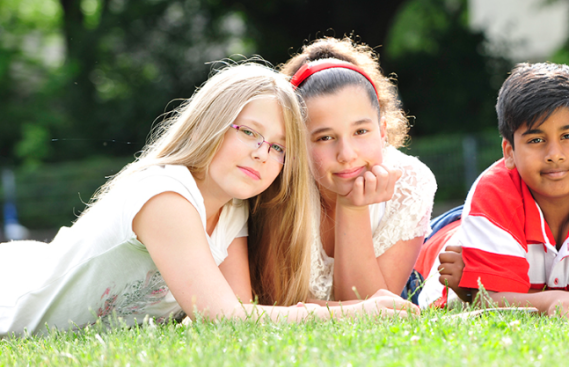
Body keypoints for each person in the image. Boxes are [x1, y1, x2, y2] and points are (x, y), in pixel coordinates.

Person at [0, 62, 416, 337]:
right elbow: (221, 316)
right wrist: (356, 312)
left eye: (278, 147)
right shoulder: (165, 194)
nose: (261, 152)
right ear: (210, 123)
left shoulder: (232, 209)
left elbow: (242, 315)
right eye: (249, 132)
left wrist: (360, 306)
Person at [416, 63, 569, 318]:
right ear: (509, 153)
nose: (554, 155)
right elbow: (489, 300)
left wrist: (546, 298)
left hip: (500, 226)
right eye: (536, 140)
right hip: (443, 236)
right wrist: (550, 299)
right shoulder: (493, 192)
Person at [281, 38, 437, 302]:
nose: (347, 155)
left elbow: (372, 311)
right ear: (297, 142)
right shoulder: (277, 181)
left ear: (383, 130)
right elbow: (271, 300)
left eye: (361, 131)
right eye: (325, 138)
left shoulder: (411, 182)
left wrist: (352, 209)